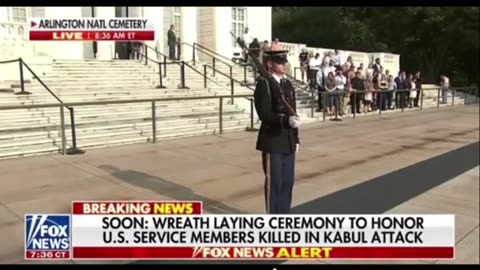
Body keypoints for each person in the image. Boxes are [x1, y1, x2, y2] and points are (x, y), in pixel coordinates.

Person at [253, 50, 301, 214]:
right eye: (280, 62)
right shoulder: (264, 84)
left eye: (284, 61)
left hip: (288, 141)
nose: (284, 64)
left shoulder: (287, 85)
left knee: (288, 182)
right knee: (275, 183)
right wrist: (284, 120)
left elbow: (292, 112)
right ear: (270, 64)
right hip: (273, 140)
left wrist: (296, 138)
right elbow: (265, 115)